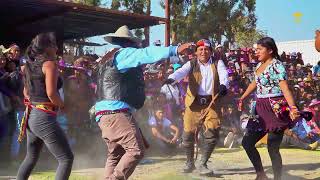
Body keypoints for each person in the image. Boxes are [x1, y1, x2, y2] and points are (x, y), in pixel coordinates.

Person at [94, 25, 192, 180]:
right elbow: (146, 53)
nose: (137, 46)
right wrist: (174, 49)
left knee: (116, 155)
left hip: (104, 114)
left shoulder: (108, 58)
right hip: (116, 112)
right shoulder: (125, 53)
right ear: (129, 42)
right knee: (135, 150)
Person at [238, 37, 300, 180]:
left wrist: (293, 107)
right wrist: (243, 97)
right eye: (256, 49)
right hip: (259, 109)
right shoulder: (259, 65)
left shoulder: (277, 65)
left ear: (270, 50)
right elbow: (255, 82)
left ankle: (278, 178)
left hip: (275, 109)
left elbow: (285, 88)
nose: (256, 51)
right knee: (247, 143)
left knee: (272, 148)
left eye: (260, 49)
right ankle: (261, 174)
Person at [165, 39, 229, 176]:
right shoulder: (191, 63)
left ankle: (203, 164)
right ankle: (189, 162)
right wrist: (171, 78)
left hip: (212, 103)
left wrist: (224, 85)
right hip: (193, 103)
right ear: (196, 52)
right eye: (200, 49)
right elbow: (181, 72)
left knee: (212, 133)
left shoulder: (218, 63)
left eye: (206, 49)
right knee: (187, 135)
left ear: (211, 51)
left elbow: (224, 75)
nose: (203, 52)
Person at [17, 32, 74, 180]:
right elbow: (52, 94)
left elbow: (26, 93)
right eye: (54, 44)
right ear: (47, 47)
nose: (57, 48)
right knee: (66, 158)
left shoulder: (28, 66)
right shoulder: (49, 65)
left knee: (31, 158)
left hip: (32, 115)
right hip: (43, 117)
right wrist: (63, 106)